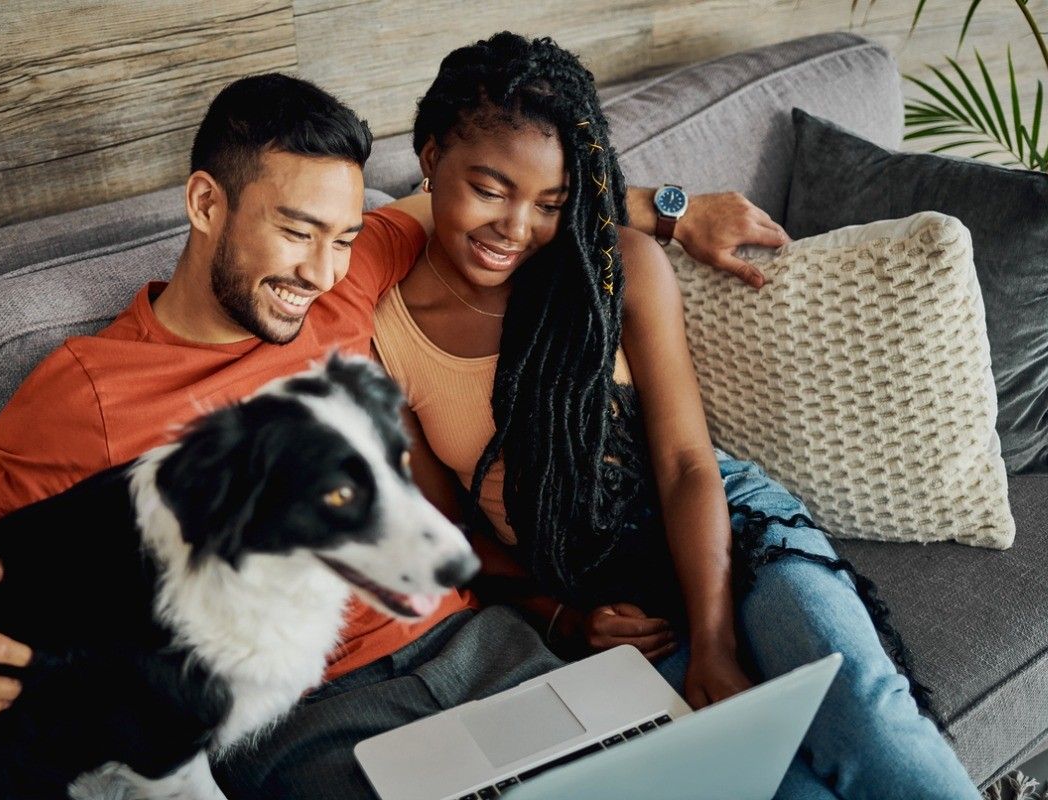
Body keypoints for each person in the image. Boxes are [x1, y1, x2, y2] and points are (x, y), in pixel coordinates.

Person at [0, 71, 785, 793]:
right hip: (307, 716)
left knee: (681, 776)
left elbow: (512, 214)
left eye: (343, 236)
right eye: (298, 232)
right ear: (207, 205)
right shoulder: (87, 391)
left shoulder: (342, 278)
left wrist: (672, 211)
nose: (323, 270)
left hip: (479, 647)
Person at [365, 32, 978, 800]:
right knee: (783, 788)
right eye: (488, 189)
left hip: (729, 533)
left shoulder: (615, 264)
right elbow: (451, 537)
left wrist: (716, 638)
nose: (515, 228)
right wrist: (564, 617)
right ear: (430, 158)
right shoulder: (385, 331)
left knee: (865, 717)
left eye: (551, 204)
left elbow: (688, 464)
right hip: (603, 598)